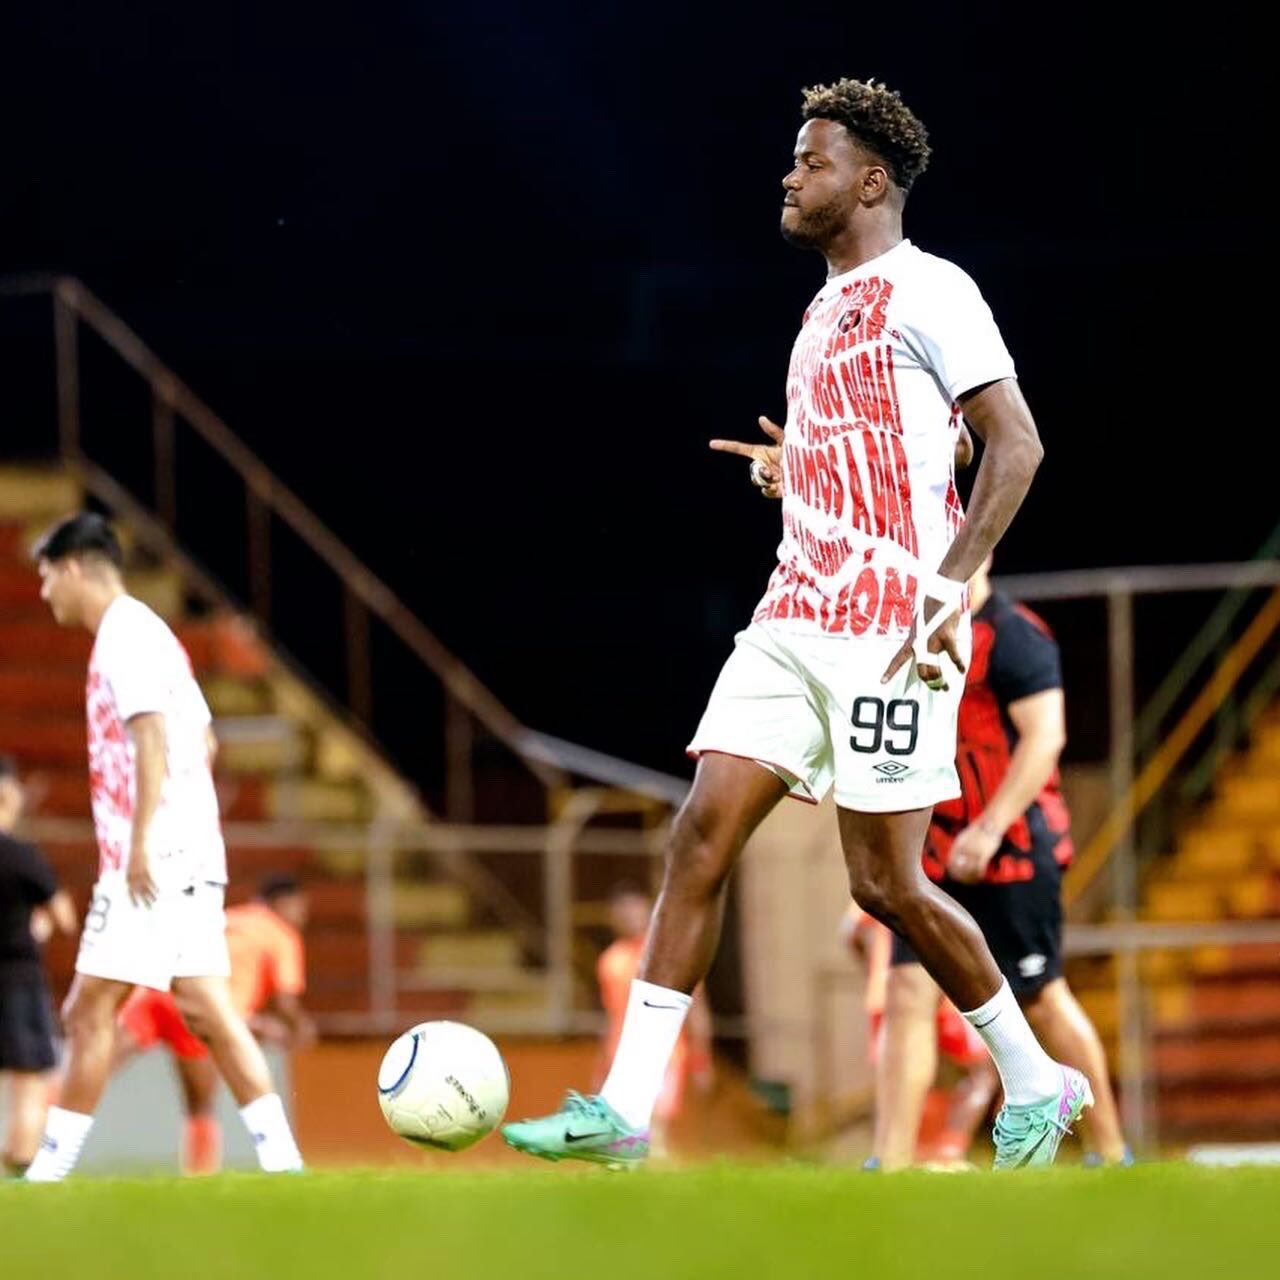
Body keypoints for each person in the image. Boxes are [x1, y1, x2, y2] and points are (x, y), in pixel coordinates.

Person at [503, 77, 1089, 1170]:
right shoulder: (820, 309)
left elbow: (1010, 444)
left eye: (810, 160)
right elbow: (910, 448)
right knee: (698, 831)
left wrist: (941, 586)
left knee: (884, 885)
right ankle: (625, 1109)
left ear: (869, 180)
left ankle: (1033, 1074)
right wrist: (799, 468)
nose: (789, 173)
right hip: (791, 615)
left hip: (886, 631)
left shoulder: (934, 288)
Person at [23, 513, 303, 1180]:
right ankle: (284, 1161)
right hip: (185, 852)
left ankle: (48, 1171)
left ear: (70, 567)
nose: (42, 593)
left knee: (88, 1008)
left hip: (149, 860)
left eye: (44, 577)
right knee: (206, 1005)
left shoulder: (124, 635)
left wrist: (144, 838)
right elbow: (201, 740)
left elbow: (152, 735)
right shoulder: (154, 634)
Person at [873, 556, 1130, 1168]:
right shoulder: (916, 634)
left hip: (1013, 852)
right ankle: (888, 1161)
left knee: (1041, 995)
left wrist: (989, 829)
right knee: (908, 992)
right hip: (936, 852)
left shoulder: (1013, 635)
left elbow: (1046, 738)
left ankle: (1112, 1150)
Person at [114, 873, 315, 1175]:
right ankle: (202, 1178)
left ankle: (40, 1143)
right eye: (300, 906)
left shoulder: (229, 917)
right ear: (283, 902)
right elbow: (286, 1002)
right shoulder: (281, 934)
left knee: (99, 1061)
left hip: (157, 991)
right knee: (201, 1105)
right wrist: (302, 1030)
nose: (302, 915)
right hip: (205, 1010)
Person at [842, 901, 997, 1169]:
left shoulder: (877, 881)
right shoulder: (931, 877)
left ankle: (899, 1152)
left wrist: (872, 969)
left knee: (897, 1075)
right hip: (936, 991)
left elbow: (850, 932)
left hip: (888, 991)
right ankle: (945, 1150)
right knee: (982, 1070)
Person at [595, 882, 713, 1157]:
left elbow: (696, 1010)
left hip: (665, 1054)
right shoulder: (611, 960)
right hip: (622, 1055)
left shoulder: (671, 956)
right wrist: (602, 1062)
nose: (631, 917)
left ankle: (657, 1176)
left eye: (636, 910)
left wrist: (702, 1058)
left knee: (654, 1130)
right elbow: (609, 1015)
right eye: (623, 912)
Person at [0, 758, 77, 1175]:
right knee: (28, 1079)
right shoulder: (22, 857)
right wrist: (40, 923)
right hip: (17, 980)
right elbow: (63, 917)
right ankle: (20, 1164)